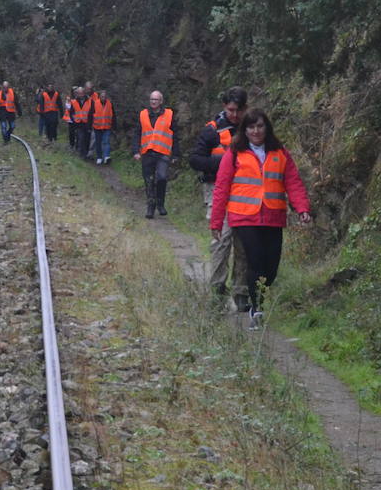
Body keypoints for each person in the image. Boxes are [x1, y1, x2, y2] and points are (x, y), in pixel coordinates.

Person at [209, 108, 312, 329]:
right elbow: (221, 188)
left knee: (271, 267)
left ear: (267, 128)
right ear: (244, 130)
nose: (256, 131)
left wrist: (302, 208)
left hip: (273, 216)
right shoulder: (235, 153)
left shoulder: (280, 152)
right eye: (251, 127)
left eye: (260, 126)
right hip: (244, 217)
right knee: (254, 261)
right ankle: (256, 309)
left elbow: (293, 182)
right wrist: (216, 222)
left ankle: (259, 300)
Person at [188, 87, 249, 309]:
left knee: (243, 243)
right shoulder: (211, 131)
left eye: (239, 110)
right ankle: (217, 289)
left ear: (245, 108)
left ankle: (241, 292)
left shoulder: (252, 129)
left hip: (246, 193)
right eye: (231, 110)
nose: (234, 114)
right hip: (216, 189)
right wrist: (224, 165)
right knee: (221, 240)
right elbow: (194, 159)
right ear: (224, 107)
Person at [132, 89, 178, 219]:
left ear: (161, 101)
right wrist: (136, 151)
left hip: (163, 153)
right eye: (152, 99)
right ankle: (150, 206)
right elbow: (137, 133)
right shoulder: (143, 114)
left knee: (162, 178)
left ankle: (161, 203)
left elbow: (175, 135)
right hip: (147, 152)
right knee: (149, 180)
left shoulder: (169, 114)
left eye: (156, 99)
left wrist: (175, 154)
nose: (153, 102)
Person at [90, 89, 115, 164]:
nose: (103, 98)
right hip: (97, 127)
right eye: (102, 96)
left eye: (104, 96)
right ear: (99, 97)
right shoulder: (95, 104)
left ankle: (106, 157)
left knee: (106, 142)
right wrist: (89, 125)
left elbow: (113, 115)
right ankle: (99, 157)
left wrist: (114, 125)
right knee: (98, 143)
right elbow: (90, 115)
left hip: (107, 127)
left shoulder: (110, 104)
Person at [69, 86, 93, 158]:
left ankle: (86, 152)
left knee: (87, 139)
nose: (81, 95)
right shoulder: (74, 101)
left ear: (84, 93)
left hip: (87, 123)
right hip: (79, 124)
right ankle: (82, 154)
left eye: (82, 93)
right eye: (79, 93)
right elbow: (71, 113)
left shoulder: (90, 101)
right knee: (81, 138)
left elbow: (93, 112)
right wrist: (74, 120)